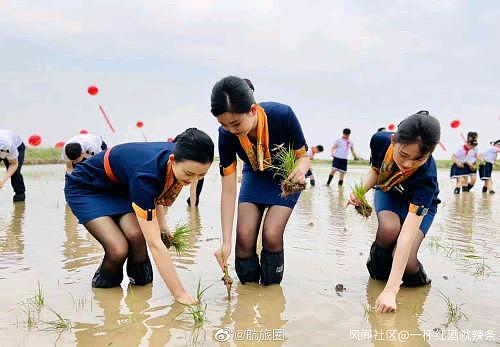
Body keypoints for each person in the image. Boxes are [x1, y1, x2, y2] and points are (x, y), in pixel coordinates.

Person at [64, 128, 214, 304]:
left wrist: (163, 227)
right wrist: (180, 295)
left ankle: (140, 298)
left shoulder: (181, 155)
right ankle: (104, 300)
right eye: (189, 174)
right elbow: (155, 244)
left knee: (136, 236)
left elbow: (156, 193)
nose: (194, 180)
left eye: (201, 175)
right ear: (172, 160)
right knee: (118, 249)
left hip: (121, 187)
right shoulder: (146, 175)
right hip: (87, 189)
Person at [211, 76, 310, 286]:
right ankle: (247, 296)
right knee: (244, 238)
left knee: (271, 234)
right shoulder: (226, 135)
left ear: (253, 110)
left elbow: (304, 156)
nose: (231, 130)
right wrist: (226, 241)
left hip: (286, 177)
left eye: (236, 123)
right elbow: (228, 191)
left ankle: (271, 293)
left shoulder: (282, 115)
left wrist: (300, 171)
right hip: (255, 175)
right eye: (223, 124)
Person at [347, 110, 440, 313]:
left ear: (430, 153)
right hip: (389, 191)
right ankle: (377, 276)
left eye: (418, 160)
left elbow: (406, 236)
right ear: (393, 140)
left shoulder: (427, 179)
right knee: (389, 229)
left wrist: (391, 291)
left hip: (420, 206)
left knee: (405, 257)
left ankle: (419, 286)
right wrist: (360, 191)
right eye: (403, 155)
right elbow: (376, 170)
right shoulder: (380, 141)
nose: (407, 164)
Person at [0, 129, 26, 202]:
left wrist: (3, 181)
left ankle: (19, 198)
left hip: (17, 146)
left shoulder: (5, 144)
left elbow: (13, 164)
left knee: (15, 174)